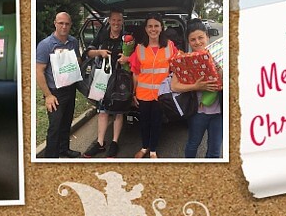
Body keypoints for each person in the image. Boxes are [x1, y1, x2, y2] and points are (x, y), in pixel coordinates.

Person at [129, 13, 179, 159]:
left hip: (161, 94)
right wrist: (133, 93)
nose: (153, 29)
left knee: (157, 122)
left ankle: (153, 150)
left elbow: (178, 65)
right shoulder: (139, 48)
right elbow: (135, 73)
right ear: (145, 29)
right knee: (144, 122)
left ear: (161, 27)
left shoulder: (170, 46)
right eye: (150, 26)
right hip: (143, 94)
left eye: (156, 26)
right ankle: (144, 147)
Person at [83, 9, 130, 158]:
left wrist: (127, 57)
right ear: (109, 21)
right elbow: (88, 52)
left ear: (122, 22)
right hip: (102, 78)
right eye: (114, 20)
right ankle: (100, 143)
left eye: (119, 20)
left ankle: (114, 142)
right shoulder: (102, 35)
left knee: (118, 112)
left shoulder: (127, 38)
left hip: (120, 79)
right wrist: (100, 52)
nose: (116, 23)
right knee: (102, 111)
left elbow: (136, 57)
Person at [171, 19, 222, 158]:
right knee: (193, 144)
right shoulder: (184, 60)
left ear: (208, 37)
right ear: (188, 41)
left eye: (201, 37)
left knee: (215, 151)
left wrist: (221, 72)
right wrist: (196, 86)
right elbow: (174, 86)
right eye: (193, 39)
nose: (197, 42)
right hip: (198, 112)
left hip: (220, 113)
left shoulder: (220, 56)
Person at [36, 12, 81, 158]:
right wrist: (48, 95)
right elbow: (39, 71)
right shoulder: (45, 45)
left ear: (70, 25)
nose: (64, 26)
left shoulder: (73, 42)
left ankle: (64, 149)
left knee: (66, 122)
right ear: (55, 23)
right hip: (54, 92)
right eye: (61, 23)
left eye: (67, 24)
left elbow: (78, 61)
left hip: (70, 88)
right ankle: (51, 158)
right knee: (55, 127)